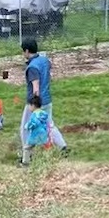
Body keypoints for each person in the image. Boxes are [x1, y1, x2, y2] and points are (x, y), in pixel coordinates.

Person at [19, 38, 67, 166]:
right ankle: (63, 147)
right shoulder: (44, 60)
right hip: (48, 100)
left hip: (36, 103)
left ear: (27, 51)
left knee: (25, 128)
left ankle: (27, 156)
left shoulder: (32, 68)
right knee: (49, 125)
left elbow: (36, 88)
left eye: (23, 51)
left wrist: (35, 107)